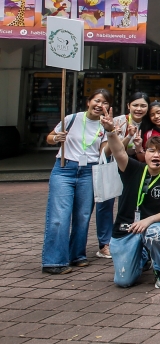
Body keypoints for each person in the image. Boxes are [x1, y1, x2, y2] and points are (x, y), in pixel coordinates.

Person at [99, 109, 160, 289]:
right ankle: (143, 256)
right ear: (145, 153)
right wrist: (110, 131)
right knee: (123, 282)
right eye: (152, 151)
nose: (156, 155)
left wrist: (148, 220)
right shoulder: (133, 169)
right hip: (126, 227)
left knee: (155, 233)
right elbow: (119, 152)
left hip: (152, 226)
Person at [43, 88, 112, 275]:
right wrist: (56, 138)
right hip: (64, 168)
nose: (100, 105)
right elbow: (49, 138)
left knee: (83, 216)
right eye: (97, 100)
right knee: (59, 216)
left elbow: (104, 154)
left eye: (105, 102)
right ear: (89, 102)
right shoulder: (72, 118)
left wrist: (111, 132)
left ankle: (77, 255)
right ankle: (54, 261)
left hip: (89, 171)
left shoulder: (105, 125)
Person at [96, 91, 151, 260]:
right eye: (135, 105)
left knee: (132, 203)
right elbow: (108, 151)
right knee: (106, 202)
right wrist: (127, 136)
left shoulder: (150, 124)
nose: (139, 109)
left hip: (138, 165)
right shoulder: (117, 121)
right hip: (115, 164)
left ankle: (133, 237)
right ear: (128, 106)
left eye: (143, 105)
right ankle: (105, 243)